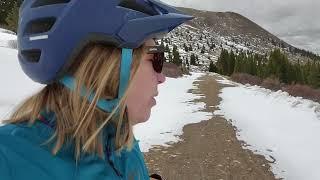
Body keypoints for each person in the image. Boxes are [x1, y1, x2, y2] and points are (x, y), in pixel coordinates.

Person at [0, 0, 193, 179]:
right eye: (156, 59)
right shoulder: (7, 158)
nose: (162, 78)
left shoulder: (118, 140)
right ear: (108, 68)